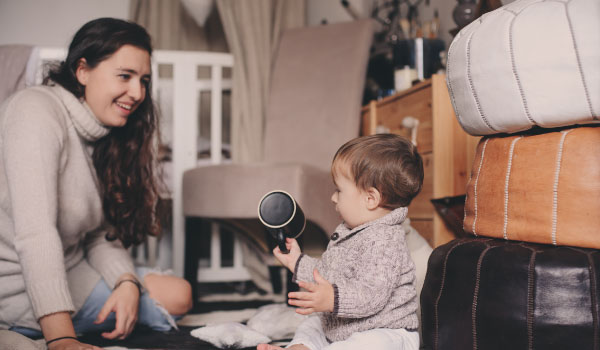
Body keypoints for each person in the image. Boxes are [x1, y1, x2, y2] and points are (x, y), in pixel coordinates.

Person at [0, 18, 192, 349]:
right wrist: (62, 339)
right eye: (125, 76)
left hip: (70, 267)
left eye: (144, 80)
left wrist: (127, 282)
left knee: (179, 294)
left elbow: (97, 236)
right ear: (83, 71)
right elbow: (35, 234)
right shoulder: (35, 110)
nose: (138, 93)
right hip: (16, 285)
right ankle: (28, 328)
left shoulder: (101, 136)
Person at [258, 134, 424, 350]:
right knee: (314, 324)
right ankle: (298, 348)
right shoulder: (348, 232)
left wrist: (333, 299)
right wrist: (296, 262)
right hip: (343, 328)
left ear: (370, 199)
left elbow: (372, 296)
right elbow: (327, 275)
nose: (333, 198)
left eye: (339, 190)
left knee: (370, 344)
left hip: (387, 333)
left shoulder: (385, 240)